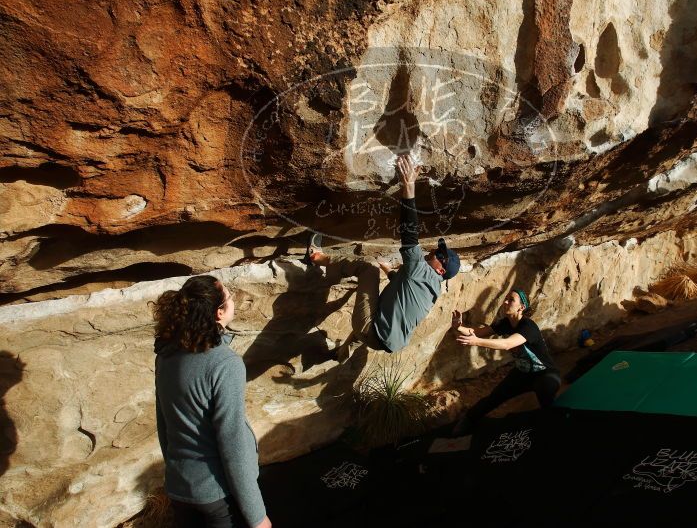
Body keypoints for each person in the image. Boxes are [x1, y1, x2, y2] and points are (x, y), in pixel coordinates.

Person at [304, 154, 460, 355]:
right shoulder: (433, 288)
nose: (433, 252)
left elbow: (409, 233)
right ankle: (340, 354)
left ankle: (316, 258)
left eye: (439, 255)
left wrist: (408, 186)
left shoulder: (420, 269)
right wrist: (389, 272)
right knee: (375, 314)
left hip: (372, 331)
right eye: (438, 250)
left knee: (367, 269)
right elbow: (404, 294)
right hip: (387, 339)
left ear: (440, 270)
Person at [152, 275, 271, 528]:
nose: (233, 301)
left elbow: (164, 425)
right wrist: (257, 517)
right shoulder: (225, 364)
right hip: (216, 496)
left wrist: (176, 473)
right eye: (229, 297)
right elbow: (233, 441)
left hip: (179, 487)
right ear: (219, 313)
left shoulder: (165, 355)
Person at [450, 288, 561, 436]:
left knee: (546, 392)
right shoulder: (505, 323)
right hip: (522, 373)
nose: (505, 302)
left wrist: (477, 342)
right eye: (506, 298)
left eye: (511, 300)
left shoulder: (528, 326)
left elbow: (507, 344)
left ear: (522, 307)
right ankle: (469, 419)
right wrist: (459, 327)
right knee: (494, 398)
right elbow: (478, 332)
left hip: (544, 373)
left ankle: (552, 424)